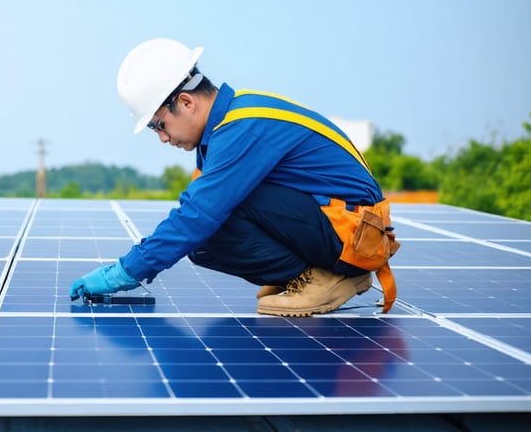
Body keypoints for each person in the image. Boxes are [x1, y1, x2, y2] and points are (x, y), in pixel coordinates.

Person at [69, 38, 400, 316]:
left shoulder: (241, 128)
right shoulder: (224, 128)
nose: (162, 138)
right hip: (343, 229)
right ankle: (320, 273)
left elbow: (197, 216)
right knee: (201, 240)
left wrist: (124, 272)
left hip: (354, 237)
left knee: (210, 218)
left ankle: (324, 278)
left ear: (185, 101)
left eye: (159, 125)